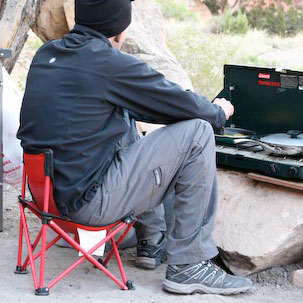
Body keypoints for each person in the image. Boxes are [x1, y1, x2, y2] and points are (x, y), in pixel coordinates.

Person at [17, 0, 252, 295]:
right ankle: (189, 264)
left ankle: (150, 240)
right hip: (87, 205)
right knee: (198, 132)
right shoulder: (106, 64)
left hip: (46, 198)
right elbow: (174, 99)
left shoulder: (47, 55)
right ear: (119, 27)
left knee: (122, 114)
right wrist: (217, 112)